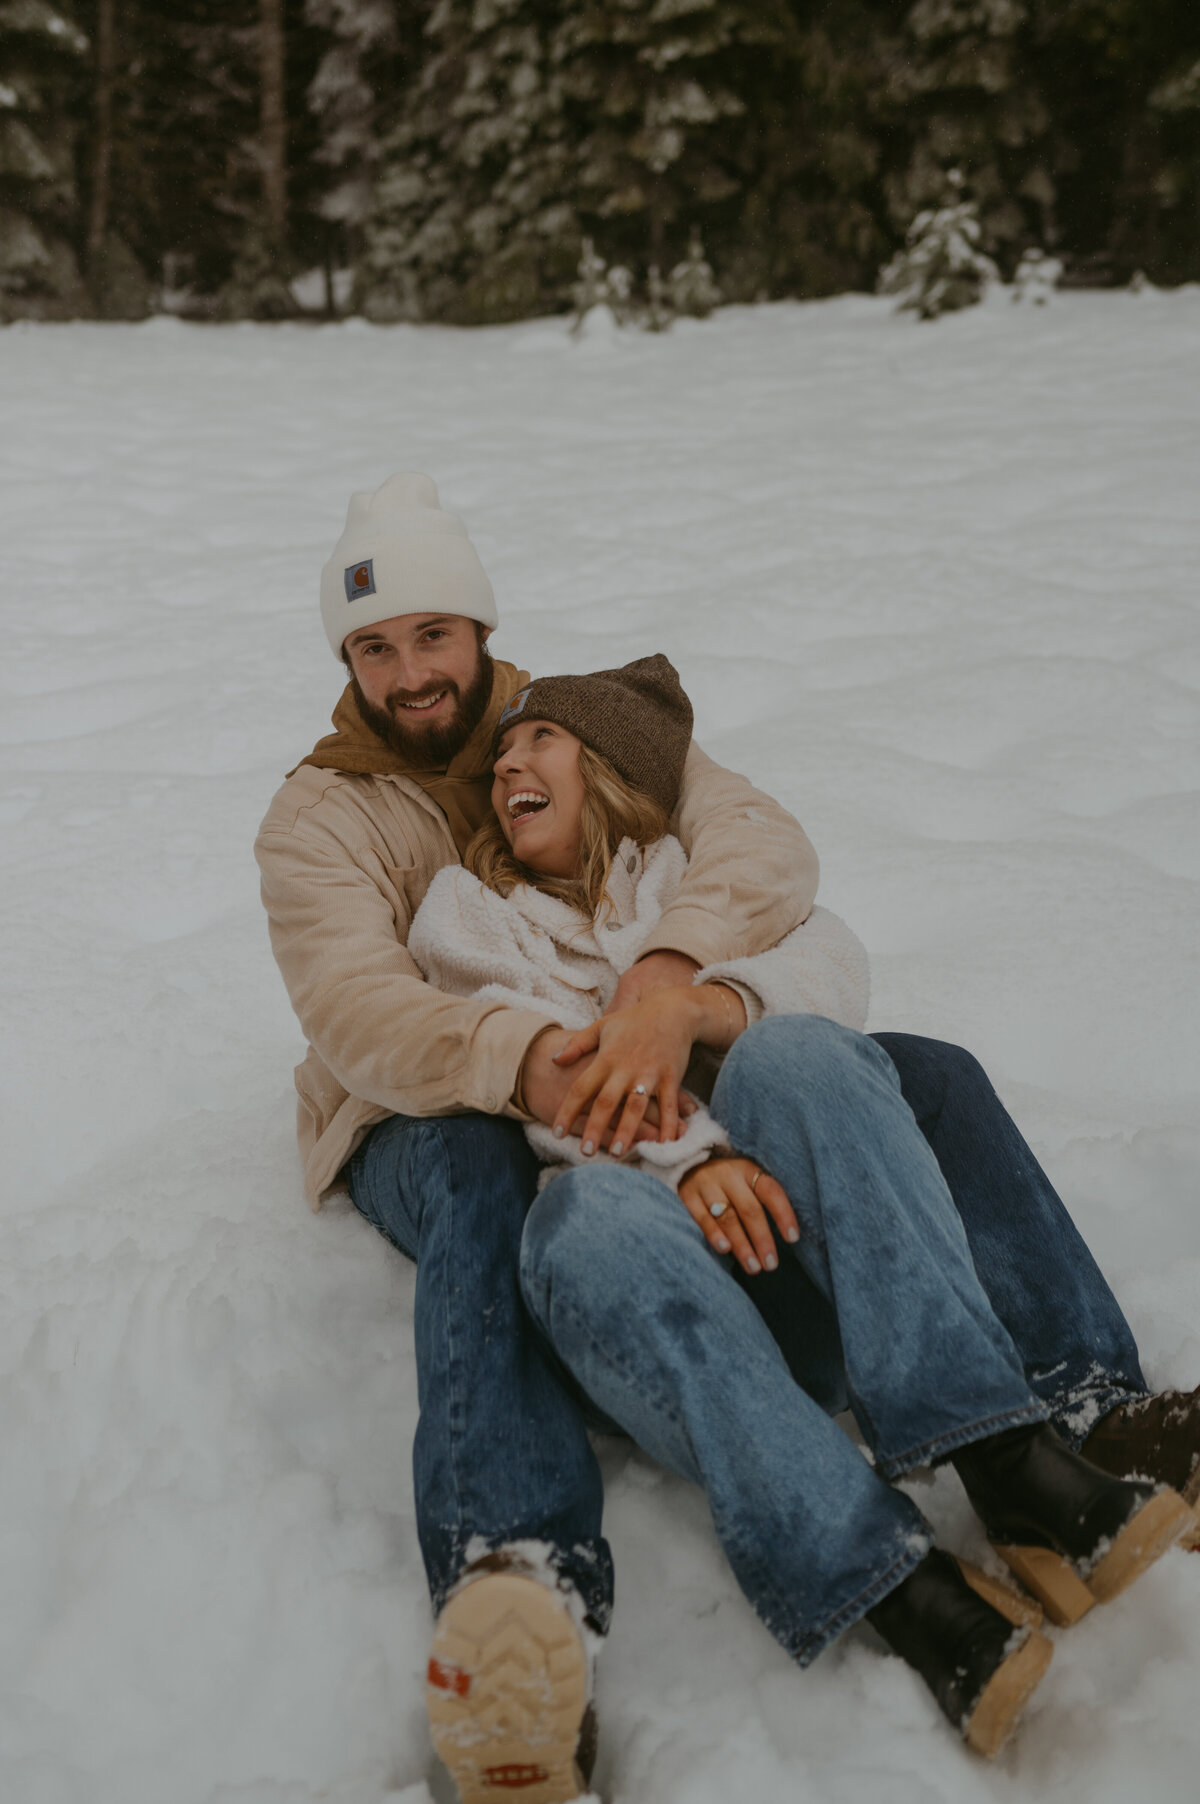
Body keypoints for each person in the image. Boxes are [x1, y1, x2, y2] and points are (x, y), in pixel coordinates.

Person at [255, 474, 1199, 1803]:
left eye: (432, 634)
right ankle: (516, 1569)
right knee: (488, 1184)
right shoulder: (323, 816)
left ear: (478, 628)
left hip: (633, 1046)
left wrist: (675, 980)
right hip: (415, 1095)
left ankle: (1079, 1407)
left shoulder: (574, 717)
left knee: (908, 1070)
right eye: (373, 647)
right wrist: (556, 1072)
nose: (411, 673)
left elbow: (756, 842)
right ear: (345, 662)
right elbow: (358, 1011)